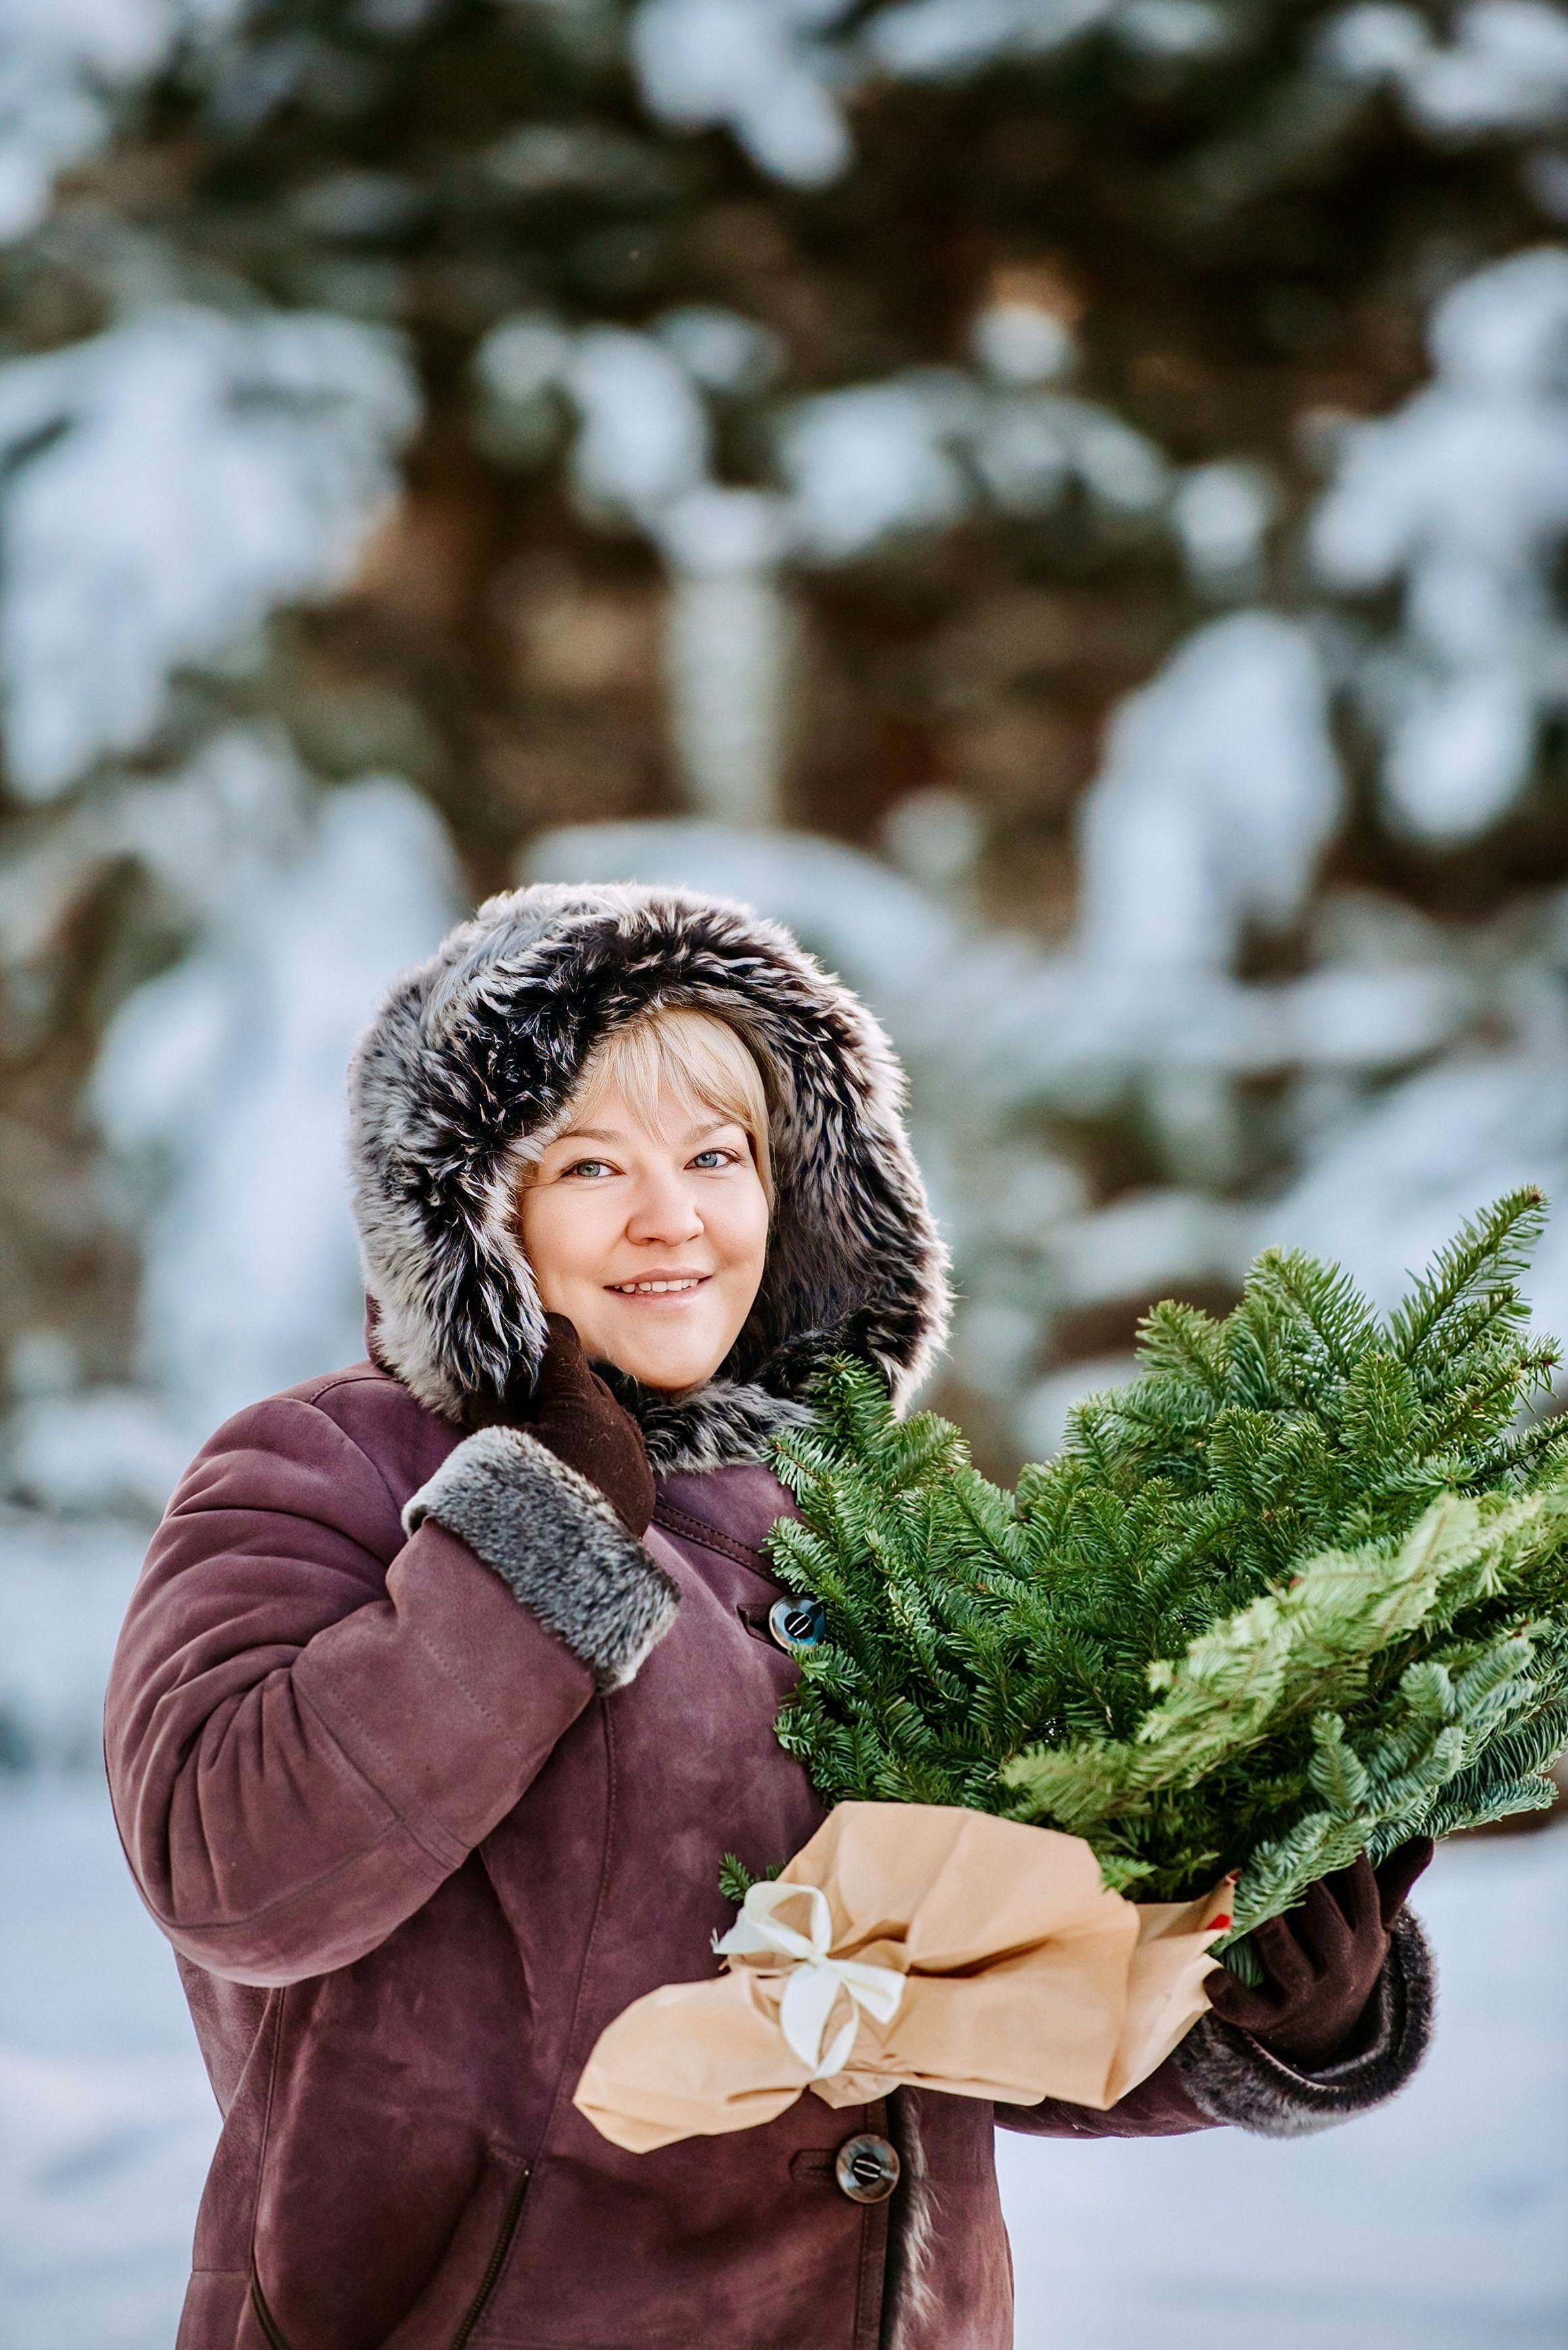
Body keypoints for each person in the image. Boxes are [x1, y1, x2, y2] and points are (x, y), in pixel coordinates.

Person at [105, 883, 1436, 2350]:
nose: (672, 1216)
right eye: (593, 1164)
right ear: (476, 1210)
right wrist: (537, 1536)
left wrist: (1258, 2006)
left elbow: (976, 1997)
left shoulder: (867, 1524)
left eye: (717, 1156)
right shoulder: (332, 1467)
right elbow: (239, 1876)